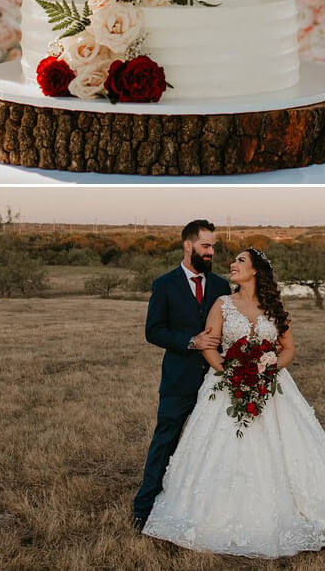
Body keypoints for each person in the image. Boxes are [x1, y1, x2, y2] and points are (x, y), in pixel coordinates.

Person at [142, 244, 325, 554]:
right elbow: (210, 346)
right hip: (226, 383)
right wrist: (228, 372)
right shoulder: (222, 304)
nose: (232, 264)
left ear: (255, 270)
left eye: (240, 260)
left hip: (272, 387)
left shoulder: (274, 307)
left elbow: (289, 349)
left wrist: (270, 366)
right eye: (233, 260)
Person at [133, 221, 231, 533]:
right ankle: (144, 506)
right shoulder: (165, 284)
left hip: (216, 380)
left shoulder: (221, 286)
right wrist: (191, 341)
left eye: (213, 246)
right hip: (179, 378)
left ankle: (208, 506)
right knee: (165, 440)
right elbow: (153, 330)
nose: (211, 252)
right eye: (206, 246)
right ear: (188, 246)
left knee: (214, 444)